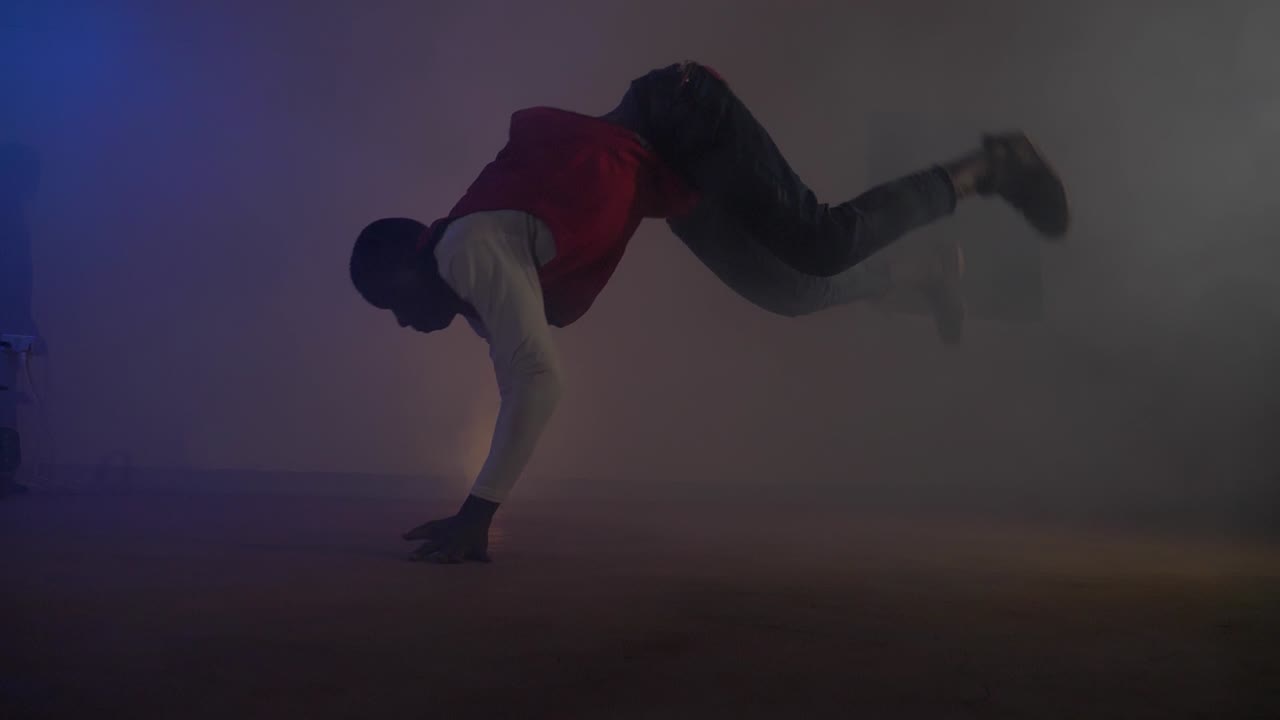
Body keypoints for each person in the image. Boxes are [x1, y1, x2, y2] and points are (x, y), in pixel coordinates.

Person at [349, 61, 1069, 563]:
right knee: (790, 291)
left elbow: (537, 379)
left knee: (820, 242)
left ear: (411, 261)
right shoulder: (469, 272)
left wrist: (477, 515)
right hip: (667, 173)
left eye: (391, 301)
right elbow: (519, 370)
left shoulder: (464, 251)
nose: (400, 321)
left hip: (680, 118)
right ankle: (922, 273)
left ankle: (991, 166)